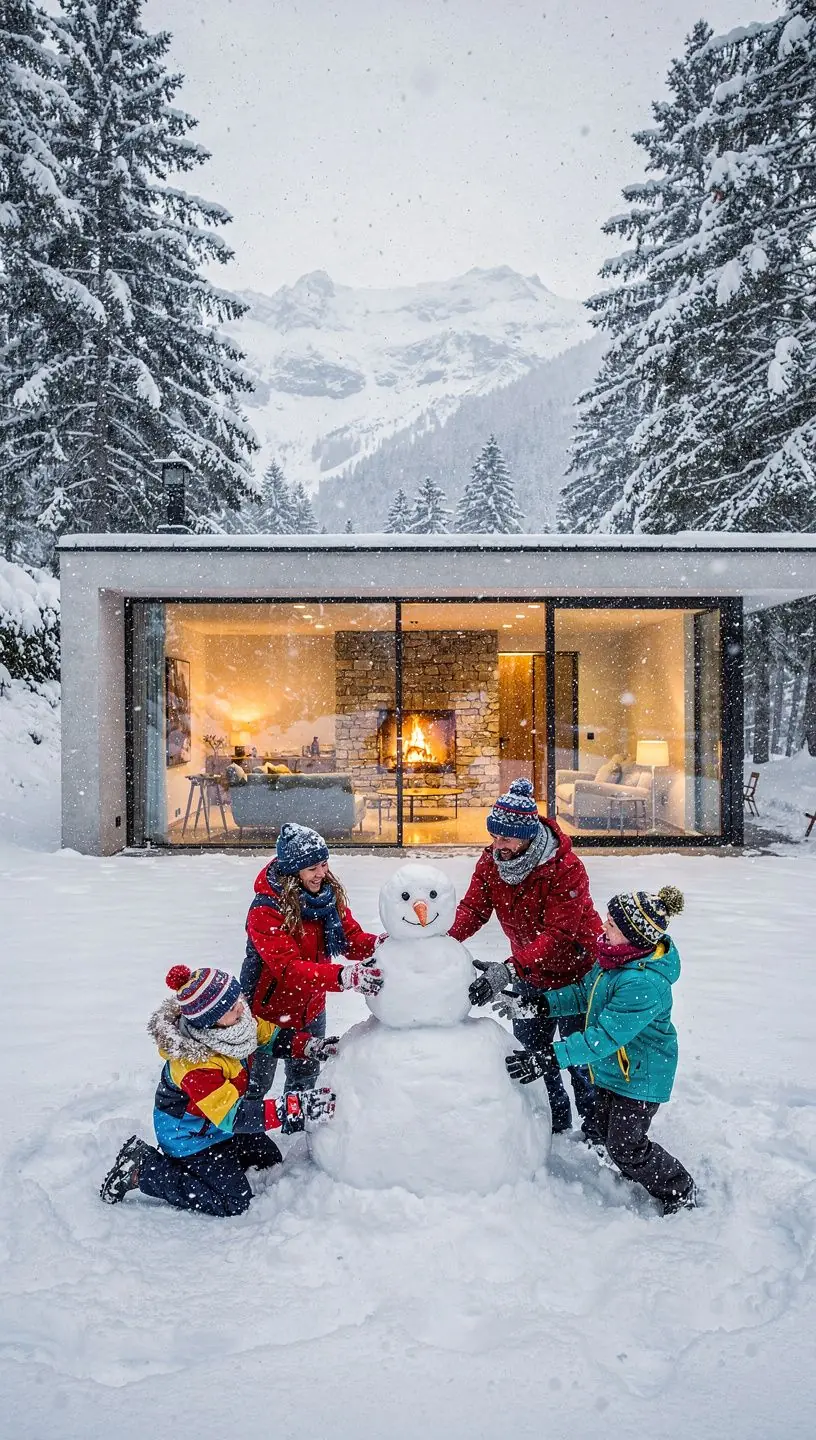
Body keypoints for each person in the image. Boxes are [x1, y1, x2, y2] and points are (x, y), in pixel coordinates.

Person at [505, 884, 696, 1216]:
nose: (603, 927)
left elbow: (603, 1037)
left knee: (626, 1147)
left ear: (634, 938)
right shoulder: (613, 958)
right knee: (606, 1130)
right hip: (615, 1071)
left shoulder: (643, 984)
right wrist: (540, 1004)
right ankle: (628, 1169)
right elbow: (583, 994)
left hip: (640, 1078)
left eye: (612, 924)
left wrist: (549, 1057)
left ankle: (679, 1189)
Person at [100, 964, 337, 1216]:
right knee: (235, 1202)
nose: (241, 1008)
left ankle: (216, 1165)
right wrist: (294, 1107)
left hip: (219, 1126)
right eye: (231, 1007)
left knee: (269, 1160)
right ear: (209, 1022)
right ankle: (144, 1169)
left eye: (238, 999)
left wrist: (311, 1046)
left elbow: (271, 1037)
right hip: (191, 1138)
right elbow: (234, 1117)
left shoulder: (237, 1024)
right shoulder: (195, 1066)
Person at [450, 778, 602, 1133]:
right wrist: (438, 939)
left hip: (577, 976)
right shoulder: (492, 861)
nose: (496, 845)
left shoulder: (565, 868)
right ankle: (554, 1123)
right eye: (494, 836)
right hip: (530, 973)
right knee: (532, 1057)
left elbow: (560, 935)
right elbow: (473, 908)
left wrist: (508, 970)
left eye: (505, 838)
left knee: (581, 1060)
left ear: (527, 836)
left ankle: (597, 1130)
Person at [240, 823, 383, 1094]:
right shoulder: (266, 910)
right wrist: (344, 977)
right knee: (254, 1087)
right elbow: (289, 970)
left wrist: (381, 945)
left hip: (311, 1008)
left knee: (304, 1082)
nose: (322, 874)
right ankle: (247, 1136)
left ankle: (298, 1133)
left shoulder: (326, 897)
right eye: (312, 868)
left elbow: (351, 939)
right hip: (266, 1015)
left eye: (324, 864)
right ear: (293, 872)